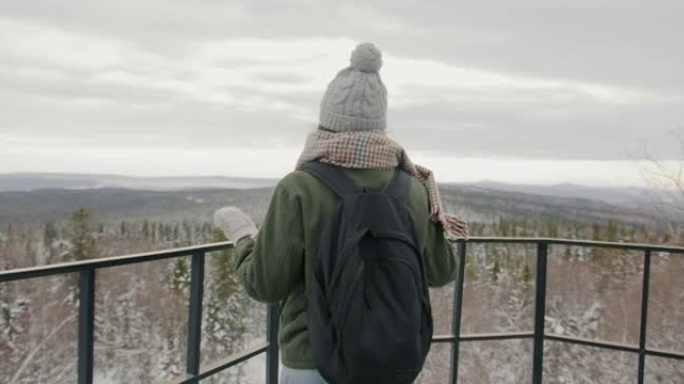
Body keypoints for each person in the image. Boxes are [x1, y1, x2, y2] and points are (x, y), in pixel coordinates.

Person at [214, 42, 467, 384]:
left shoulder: (299, 187)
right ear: (380, 127)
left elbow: (264, 285)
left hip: (313, 359)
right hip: (392, 362)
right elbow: (443, 271)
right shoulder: (415, 187)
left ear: (326, 123)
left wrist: (243, 235)